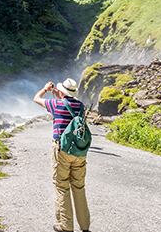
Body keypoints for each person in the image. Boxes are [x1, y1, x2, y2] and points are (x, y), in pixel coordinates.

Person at [34, 78, 90, 232]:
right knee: (79, 187)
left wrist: (46, 89)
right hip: (79, 151)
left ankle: (65, 226)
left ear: (62, 91)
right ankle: (85, 226)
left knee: (61, 186)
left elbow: (36, 99)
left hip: (62, 150)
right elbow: (71, 105)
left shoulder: (56, 104)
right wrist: (61, 94)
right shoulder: (81, 106)